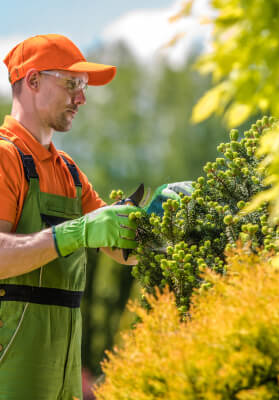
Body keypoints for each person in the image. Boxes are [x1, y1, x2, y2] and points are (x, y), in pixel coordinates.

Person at [0, 34, 145, 400]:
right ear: (32, 81)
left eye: (82, 87)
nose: (81, 98)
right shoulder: (5, 158)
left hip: (63, 378)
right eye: (71, 84)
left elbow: (121, 249)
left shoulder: (68, 171)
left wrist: (164, 223)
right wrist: (74, 233)